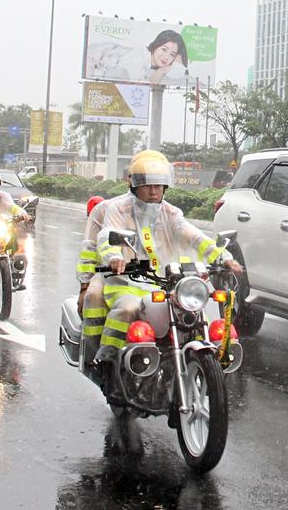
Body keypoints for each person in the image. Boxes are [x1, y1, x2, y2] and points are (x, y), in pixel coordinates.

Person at [94, 151, 241, 364]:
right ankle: (109, 358)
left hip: (167, 283)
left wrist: (224, 257)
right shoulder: (118, 210)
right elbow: (107, 236)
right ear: (134, 185)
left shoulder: (171, 213)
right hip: (128, 282)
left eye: (158, 185)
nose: (153, 191)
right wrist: (115, 257)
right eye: (147, 185)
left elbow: (195, 237)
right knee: (128, 309)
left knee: (197, 312)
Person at [76, 150, 160, 367]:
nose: (150, 185)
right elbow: (90, 248)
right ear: (130, 179)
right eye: (143, 177)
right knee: (94, 298)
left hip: (149, 275)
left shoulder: (163, 212)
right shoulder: (105, 209)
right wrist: (84, 286)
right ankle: (97, 358)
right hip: (108, 272)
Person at [97, 30, 189, 86]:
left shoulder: (155, 65)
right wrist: (161, 71)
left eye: (172, 55)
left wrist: (164, 69)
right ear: (156, 45)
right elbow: (142, 86)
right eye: (164, 49)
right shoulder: (138, 57)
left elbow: (180, 72)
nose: (166, 57)